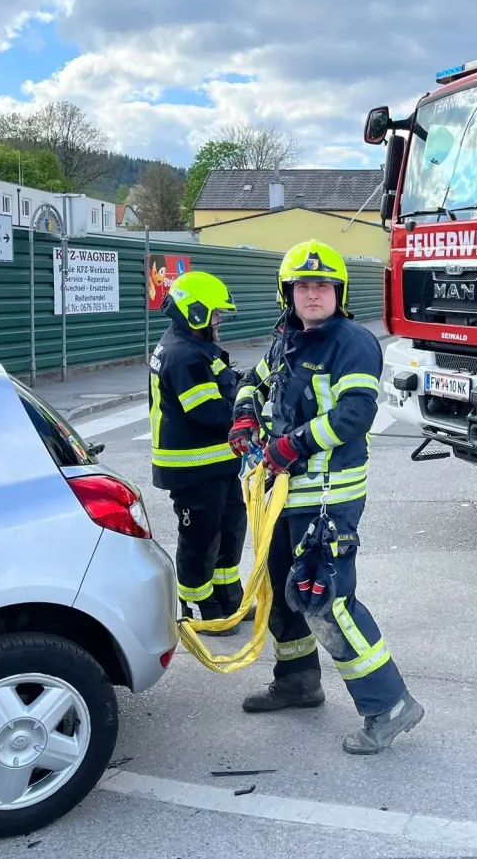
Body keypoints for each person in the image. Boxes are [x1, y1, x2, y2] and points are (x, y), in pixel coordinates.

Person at [230, 239, 424, 755]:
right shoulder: (288, 340)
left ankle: (389, 704)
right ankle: (298, 681)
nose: (312, 294)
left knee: (325, 602)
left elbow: (356, 414)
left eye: (322, 285)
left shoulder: (353, 342)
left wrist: (290, 446)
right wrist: (246, 415)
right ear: (287, 293)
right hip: (281, 495)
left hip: (326, 498)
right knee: (279, 590)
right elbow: (255, 379)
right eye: (302, 285)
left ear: (338, 292)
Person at [149, 269, 248, 636]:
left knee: (230, 527)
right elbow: (210, 412)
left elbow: (229, 382)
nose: (219, 319)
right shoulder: (183, 356)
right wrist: (249, 411)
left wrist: (248, 385)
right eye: (215, 312)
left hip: (217, 463)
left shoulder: (197, 348)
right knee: (200, 538)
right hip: (192, 467)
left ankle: (227, 596)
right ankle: (198, 607)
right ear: (194, 312)